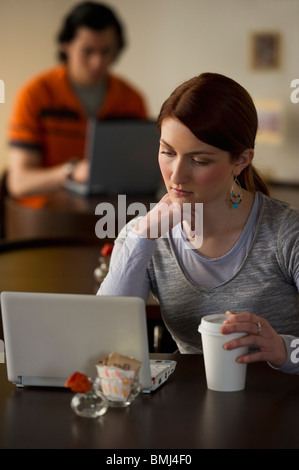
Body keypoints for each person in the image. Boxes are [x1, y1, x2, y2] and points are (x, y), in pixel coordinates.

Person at [98, 72, 299, 374]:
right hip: (190, 411)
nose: (176, 175)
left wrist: (284, 350)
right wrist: (141, 238)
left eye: (200, 160)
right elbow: (103, 339)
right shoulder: (146, 234)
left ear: (241, 160)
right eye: (168, 152)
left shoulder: (286, 234)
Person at [7, 1, 147, 205]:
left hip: (108, 216)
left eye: (106, 51)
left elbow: (140, 172)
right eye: (87, 51)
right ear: (66, 46)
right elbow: (19, 182)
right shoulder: (35, 95)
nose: (97, 62)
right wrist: (72, 172)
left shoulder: (132, 100)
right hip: (46, 218)